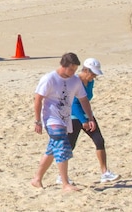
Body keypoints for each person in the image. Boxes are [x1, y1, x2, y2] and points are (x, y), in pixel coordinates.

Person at [31, 52, 97, 192]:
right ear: (64, 65)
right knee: (61, 145)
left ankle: (37, 179)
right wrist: (37, 121)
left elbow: (83, 100)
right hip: (51, 119)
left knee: (52, 149)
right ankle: (65, 183)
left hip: (65, 119)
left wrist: (90, 118)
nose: (74, 73)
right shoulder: (49, 78)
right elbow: (38, 99)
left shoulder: (75, 81)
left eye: (75, 69)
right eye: (72, 69)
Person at [69, 58, 120, 183]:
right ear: (85, 70)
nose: (95, 76)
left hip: (86, 115)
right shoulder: (74, 82)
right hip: (73, 116)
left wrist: (90, 117)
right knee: (69, 146)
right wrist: (83, 120)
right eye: (93, 73)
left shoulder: (90, 82)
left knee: (99, 141)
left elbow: (86, 100)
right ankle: (62, 175)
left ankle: (105, 172)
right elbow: (73, 104)